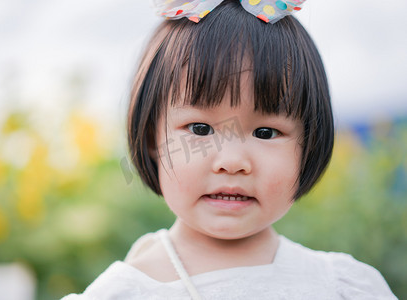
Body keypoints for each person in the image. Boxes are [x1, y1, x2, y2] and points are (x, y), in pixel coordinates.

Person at [62, 0, 397, 299]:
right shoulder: (125, 292)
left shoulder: (343, 286)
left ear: (308, 144)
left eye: (266, 132)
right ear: (152, 140)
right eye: (200, 129)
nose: (233, 162)